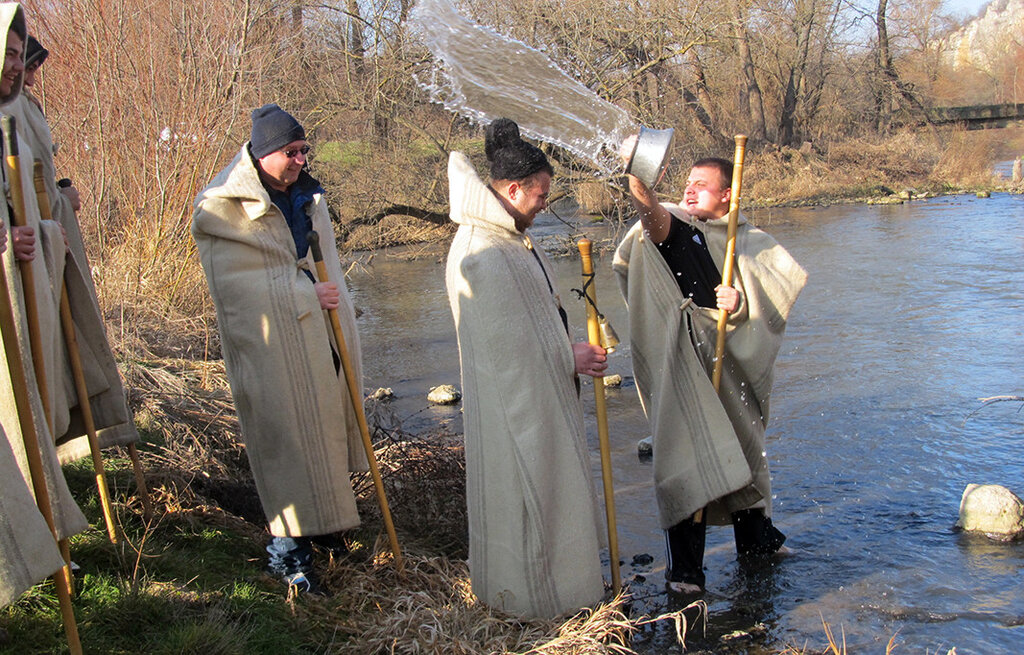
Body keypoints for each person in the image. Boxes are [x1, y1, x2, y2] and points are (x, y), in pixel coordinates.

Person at [613, 137, 807, 593]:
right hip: (685, 366)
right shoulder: (677, 229)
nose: (689, 189)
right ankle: (685, 572)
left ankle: (757, 544)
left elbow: (773, 299)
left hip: (731, 368)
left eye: (701, 184)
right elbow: (650, 215)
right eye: (687, 182)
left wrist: (740, 304)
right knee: (688, 457)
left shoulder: (747, 241)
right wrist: (636, 172)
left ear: (727, 195)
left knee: (744, 449)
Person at [192, 104, 368, 595]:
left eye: (303, 150)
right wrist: (305, 295)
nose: (300, 160)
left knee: (325, 426)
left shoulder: (310, 198)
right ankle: (288, 556)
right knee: (286, 438)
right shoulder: (221, 210)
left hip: (320, 335)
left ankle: (326, 528)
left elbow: (318, 260)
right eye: (291, 152)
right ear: (263, 153)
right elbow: (237, 292)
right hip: (269, 346)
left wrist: (325, 303)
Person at [445, 118, 607, 619]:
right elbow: (505, 354)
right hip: (513, 415)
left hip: (537, 401)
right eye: (540, 195)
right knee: (525, 503)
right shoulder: (483, 253)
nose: (544, 204)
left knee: (549, 500)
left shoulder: (510, 239)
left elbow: (532, 325)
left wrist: (563, 348)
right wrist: (567, 357)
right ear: (513, 190)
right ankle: (537, 608)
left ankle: (563, 594)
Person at [6, 33, 140, 466]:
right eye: (18, 60)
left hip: (45, 246)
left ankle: (53, 455)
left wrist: (57, 205)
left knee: (59, 349)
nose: (28, 74)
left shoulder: (23, 104)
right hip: (25, 260)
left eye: (26, 61)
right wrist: (53, 210)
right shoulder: (12, 109)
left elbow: (37, 179)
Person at [0, 1, 89, 549]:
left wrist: (49, 216)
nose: (18, 68)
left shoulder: (15, 114)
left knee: (32, 403)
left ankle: (44, 530)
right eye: (9, 55)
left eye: (19, 55)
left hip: (25, 280)